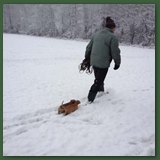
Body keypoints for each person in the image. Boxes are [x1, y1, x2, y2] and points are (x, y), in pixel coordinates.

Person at [84, 17, 121, 103]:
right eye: (114, 28)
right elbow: (115, 51)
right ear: (112, 28)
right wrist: (117, 63)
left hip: (94, 61)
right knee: (98, 81)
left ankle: (101, 92)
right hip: (103, 63)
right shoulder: (112, 37)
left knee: (99, 78)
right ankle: (89, 99)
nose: (115, 29)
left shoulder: (96, 34)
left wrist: (87, 58)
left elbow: (88, 47)